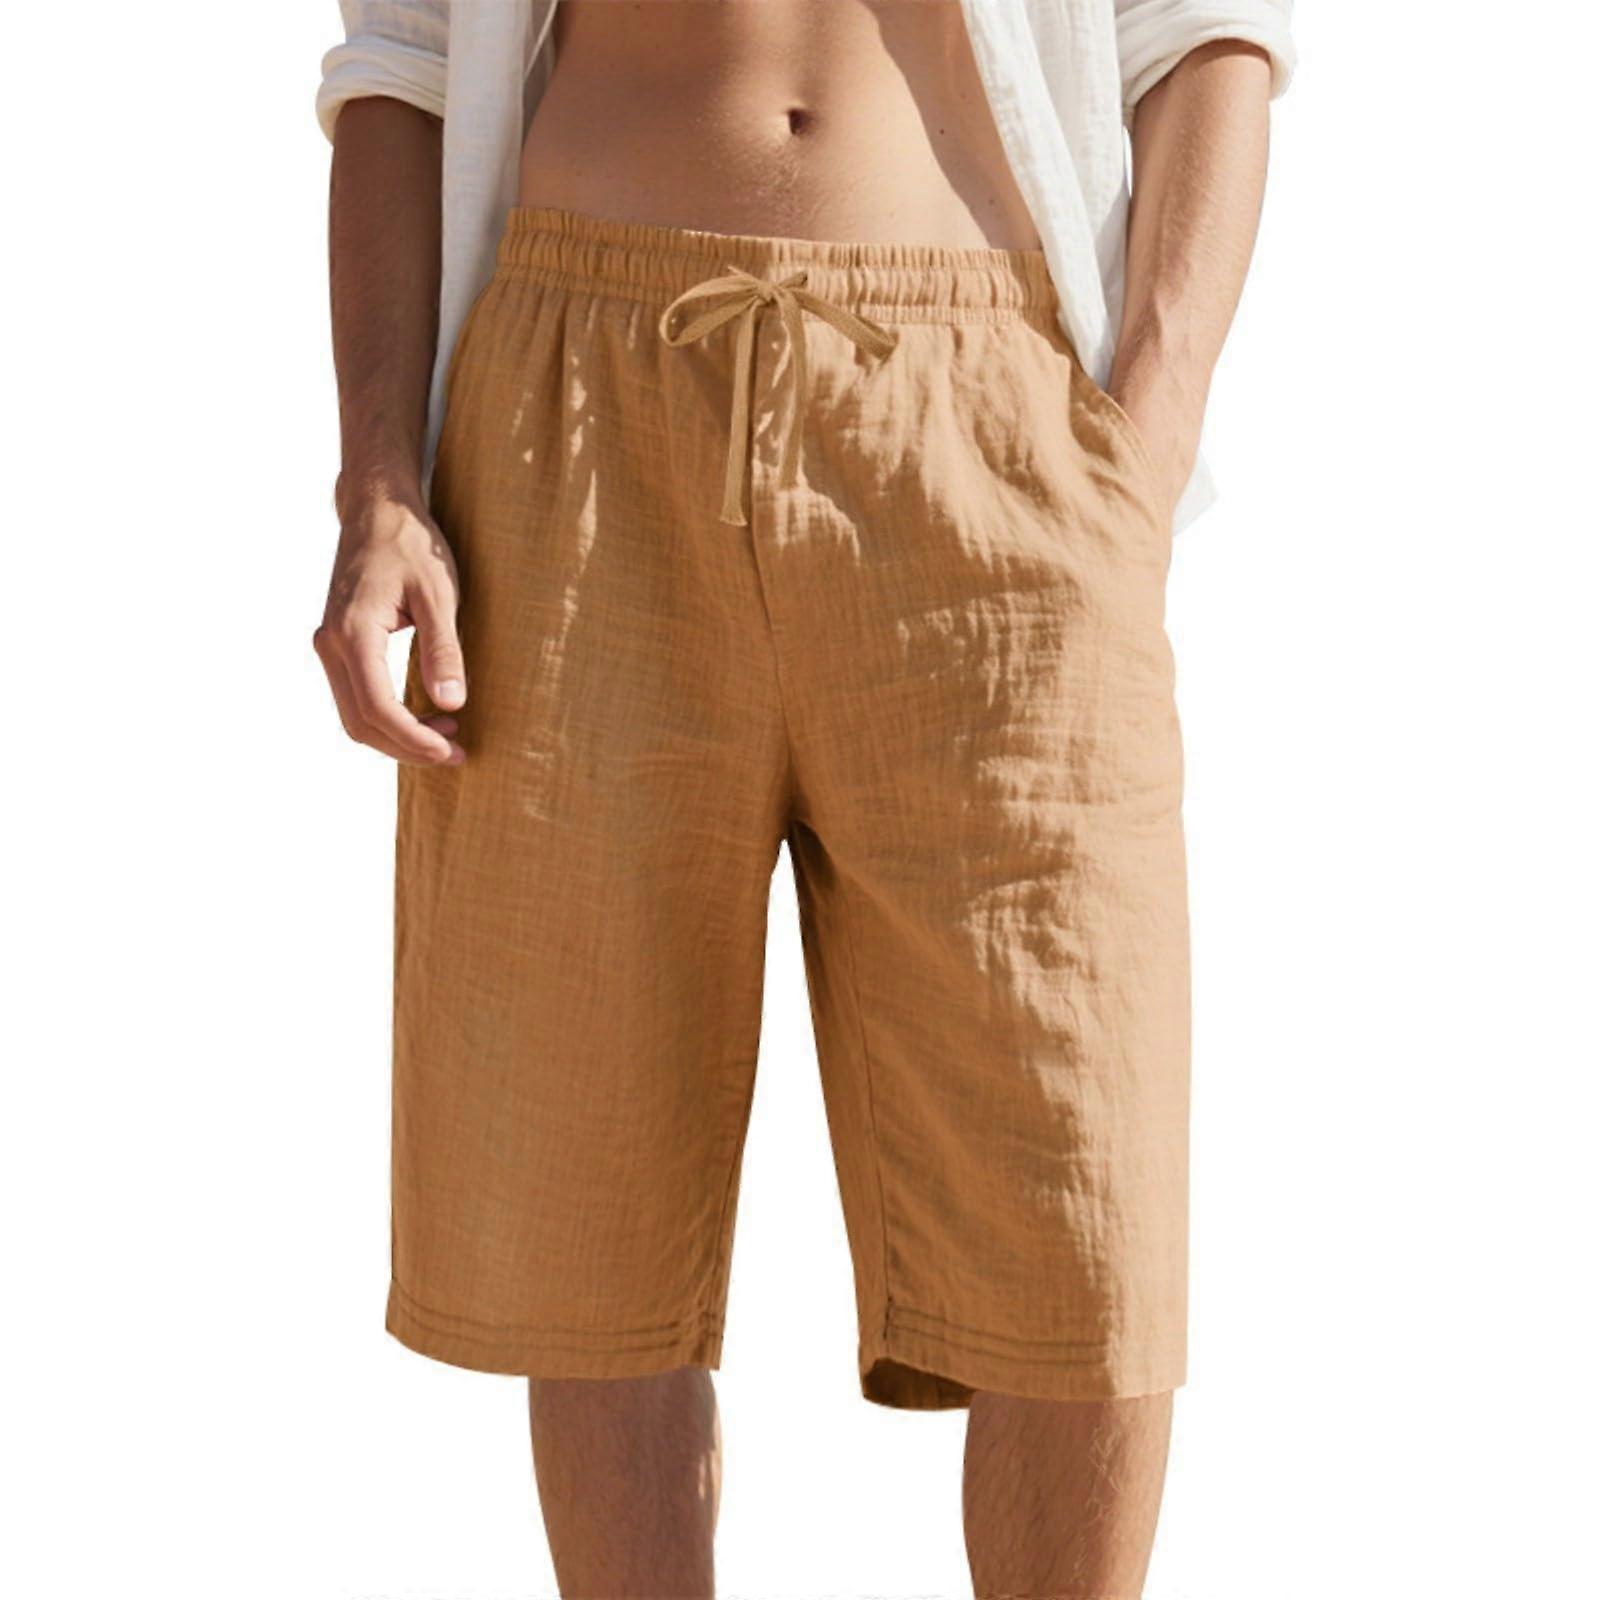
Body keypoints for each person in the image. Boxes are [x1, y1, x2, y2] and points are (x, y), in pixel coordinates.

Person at [311, 3, 1294, 1594]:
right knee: (589, 1201)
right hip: (577, 405)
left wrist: (1148, 435)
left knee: (1079, 1197)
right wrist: (380, 485)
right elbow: (403, 72)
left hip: (986, 422)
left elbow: (1208, 35)